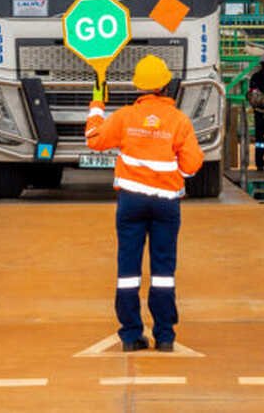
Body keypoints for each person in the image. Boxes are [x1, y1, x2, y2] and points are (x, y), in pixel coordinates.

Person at [85, 55, 204, 353]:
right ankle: (164, 336)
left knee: (128, 269)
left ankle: (131, 335)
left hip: (131, 203)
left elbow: (94, 139)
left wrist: (97, 105)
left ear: (138, 87)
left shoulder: (125, 117)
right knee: (163, 270)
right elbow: (192, 164)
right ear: (165, 85)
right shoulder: (178, 120)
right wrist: (174, 174)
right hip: (166, 204)